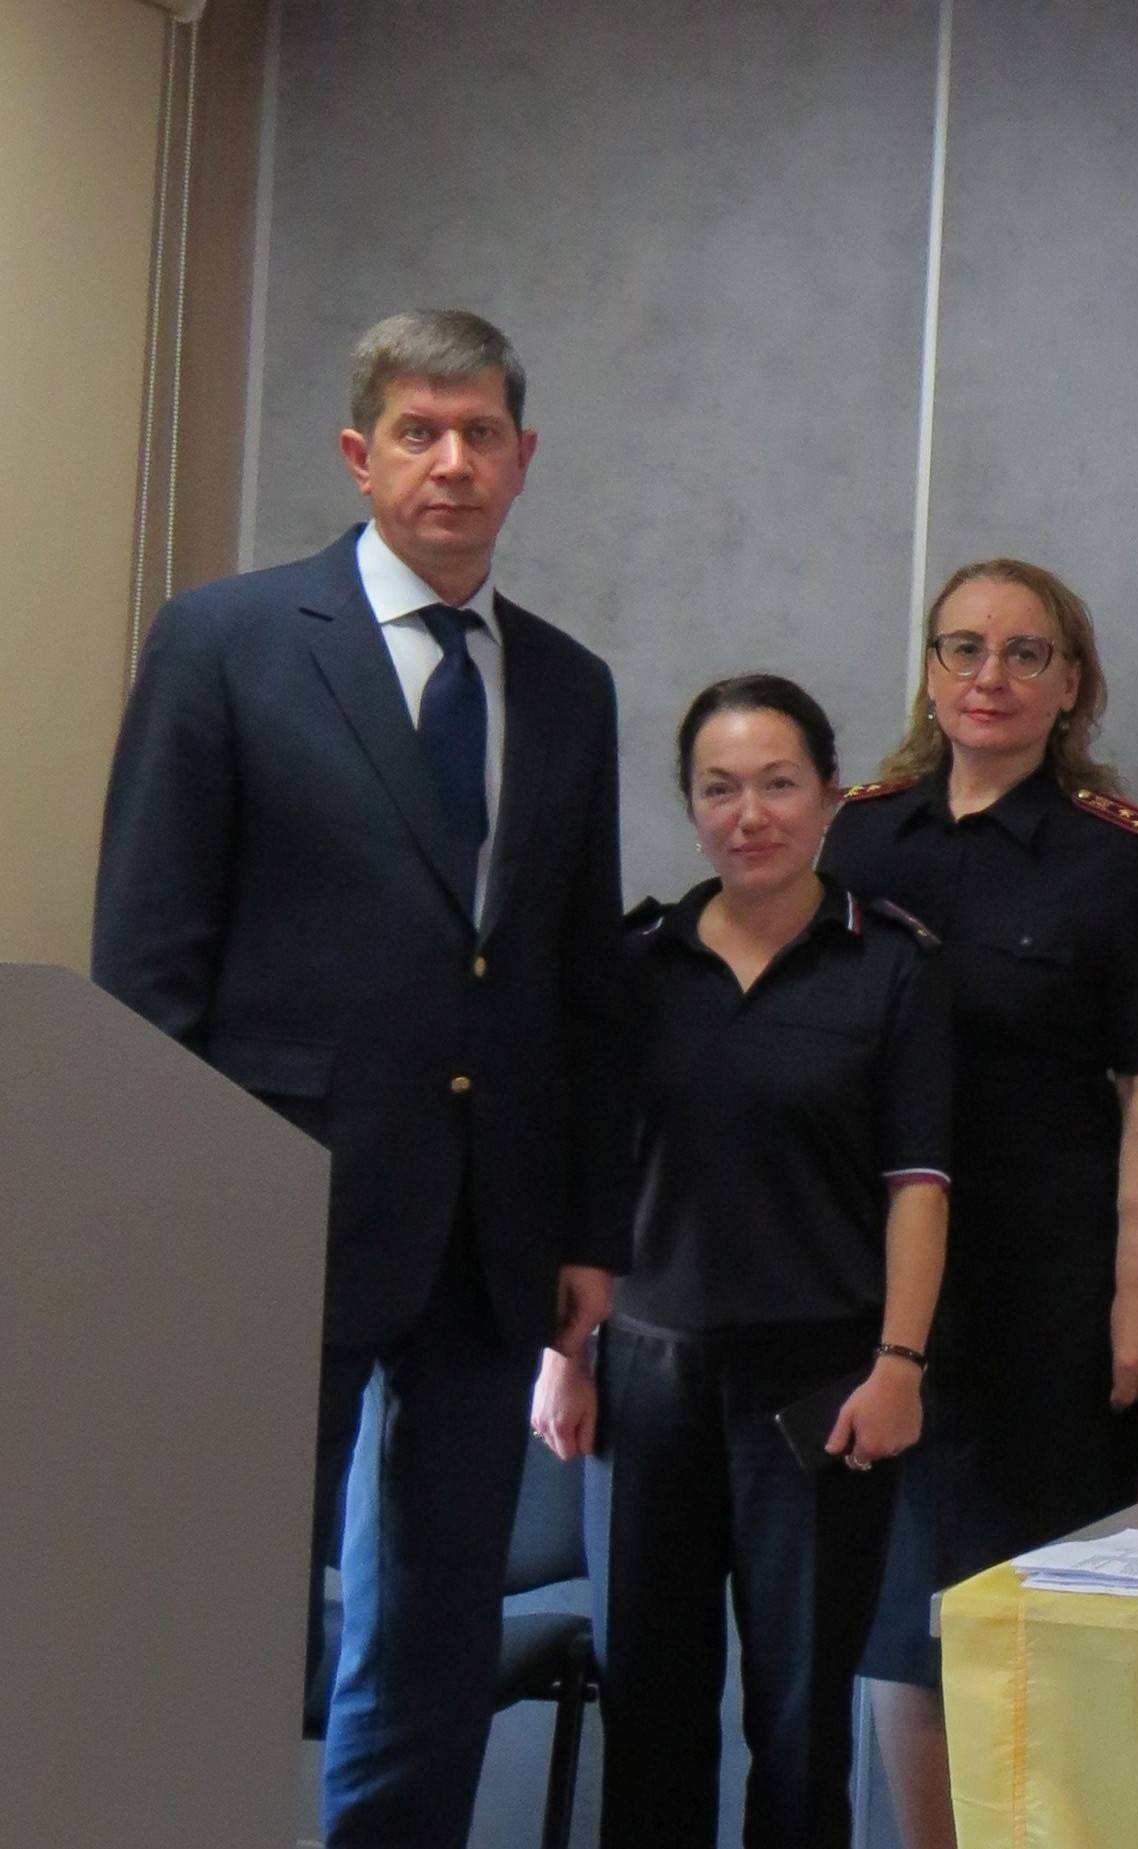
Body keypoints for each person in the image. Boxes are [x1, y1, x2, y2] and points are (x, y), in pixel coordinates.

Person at [91, 310, 626, 1846]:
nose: (452, 462)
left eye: (481, 433)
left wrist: (587, 1229)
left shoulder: (569, 683)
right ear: (358, 453)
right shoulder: (227, 642)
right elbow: (148, 961)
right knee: (222, 1599)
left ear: (523, 459)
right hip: (263, 1209)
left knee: (435, 1624)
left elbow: (580, 981)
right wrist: (159, 1210)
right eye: (418, 431)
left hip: (488, 1225)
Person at [527, 673, 948, 1847]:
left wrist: (900, 1362)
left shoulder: (891, 966)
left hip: (820, 1387)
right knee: (650, 1711)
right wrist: (564, 1355)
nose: (749, 814)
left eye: (778, 784)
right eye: (720, 789)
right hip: (646, 1375)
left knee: (801, 1719)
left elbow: (919, 1187)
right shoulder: (633, 964)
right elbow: (583, 1172)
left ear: (829, 796)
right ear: (690, 805)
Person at [820, 560, 1138, 1849]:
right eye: (965, 648)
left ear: (1070, 683)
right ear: (930, 669)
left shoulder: (1118, 858)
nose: (992, 676)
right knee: (898, 1612)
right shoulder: (858, 836)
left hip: (1046, 1289)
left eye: (1027, 653)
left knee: (1033, 1602)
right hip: (881, 1296)